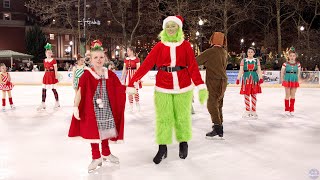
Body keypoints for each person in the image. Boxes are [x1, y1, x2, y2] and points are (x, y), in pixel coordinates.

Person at [127, 16, 208, 164]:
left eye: (173, 26)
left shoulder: (186, 46)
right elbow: (146, 65)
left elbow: (193, 68)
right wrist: (132, 81)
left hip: (183, 87)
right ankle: (162, 148)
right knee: (163, 119)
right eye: (168, 26)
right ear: (164, 28)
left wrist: (200, 85)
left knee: (182, 117)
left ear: (179, 28)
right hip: (163, 87)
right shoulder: (159, 46)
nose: (170, 29)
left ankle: (183, 143)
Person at [68, 40, 126, 172]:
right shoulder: (86, 75)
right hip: (91, 109)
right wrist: (75, 106)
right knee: (92, 132)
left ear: (105, 58)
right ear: (91, 59)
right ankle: (96, 157)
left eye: (101, 57)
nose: (99, 60)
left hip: (106, 108)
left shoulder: (109, 74)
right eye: (96, 57)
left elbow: (119, 88)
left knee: (105, 130)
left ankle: (106, 152)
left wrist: (128, 89)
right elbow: (80, 92)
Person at [196, 32, 228, 139]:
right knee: (219, 103)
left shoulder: (211, 51)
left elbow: (196, 61)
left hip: (214, 80)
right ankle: (220, 125)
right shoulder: (224, 52)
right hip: (223, 81)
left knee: (211, 103)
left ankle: (217, 127)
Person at [236, 47, 263, 119]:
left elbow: (259, 70)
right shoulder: (243, 61)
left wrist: (261, 78)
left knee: (254, 95)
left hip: (254, 78)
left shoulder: (256, 60)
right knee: (246, 94)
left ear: (254, 53)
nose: (250, 53)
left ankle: (254, 111)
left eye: (251, 52)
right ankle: (247, 110)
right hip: (246, 78)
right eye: (248, 52)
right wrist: (238, 78)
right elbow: (241, 70)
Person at [37, 43, 60, 110]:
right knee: (44, 89)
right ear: (46, 54)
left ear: (51, 54)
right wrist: (44, 75)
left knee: (53, 89)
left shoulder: (54, 60)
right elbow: (45, 69)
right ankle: (43, 103)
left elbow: (55, 69)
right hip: (46, 75)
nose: (49, 54)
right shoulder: (44, 60)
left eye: (50, 53)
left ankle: (57, 102)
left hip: (52, 75)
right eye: (48, 53)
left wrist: (56, 76)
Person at [281, 47, 301, 116]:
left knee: (293, 95)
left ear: (295, 56)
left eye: (293, 56)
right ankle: (286, 109)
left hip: (294, 80)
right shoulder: (285, 64)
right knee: (287, 95)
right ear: (288, 56)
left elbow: (298, 73)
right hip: (287, 79)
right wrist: (282, 80)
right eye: (291, 56)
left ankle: (291, 109)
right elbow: (282, 72)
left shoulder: (298, 64)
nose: (292, 57)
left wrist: (297, 80)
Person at [120, 46, 141, 112]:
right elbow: (124, 69)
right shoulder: (126, 59)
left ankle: (137, 103)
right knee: (129, 92)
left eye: (128, 50)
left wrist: (138, 78)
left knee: (135, 91)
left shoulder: (136, 59)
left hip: (134, 76)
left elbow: (138, 69)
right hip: (128, 76)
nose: (127, 52)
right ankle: (131, 106)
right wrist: (122, 77)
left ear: (132, 51)